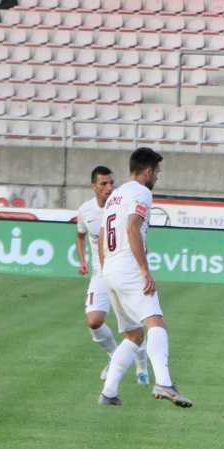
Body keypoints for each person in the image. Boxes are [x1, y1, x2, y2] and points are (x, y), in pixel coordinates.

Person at [96, 148, 192, 408]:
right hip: (127, 268)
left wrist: (107, 271)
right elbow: (132, 227)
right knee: (156, 323)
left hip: (111, 269)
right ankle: (164, 382)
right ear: (148, 171)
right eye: (157, 171)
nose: (157, 177)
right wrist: (144, 270)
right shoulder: (142, 192)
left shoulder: (115, 196)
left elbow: (103, 235)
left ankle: (109, 392)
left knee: (134, 335)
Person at [75, 165, 149, 385]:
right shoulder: (85, 211)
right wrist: (82, 260)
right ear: (94, 186)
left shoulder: (120, 203)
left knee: (134, 325)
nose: (108, 188)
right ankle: (114, 356)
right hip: (101, 274)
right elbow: (80, 235)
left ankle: (142, 369)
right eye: (103, 184)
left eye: (111, 183)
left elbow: (137, 231)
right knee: (94, 321)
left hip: (124, 273)